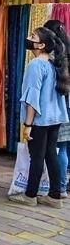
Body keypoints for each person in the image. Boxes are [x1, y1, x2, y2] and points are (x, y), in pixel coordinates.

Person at [9, 27, 70, 208]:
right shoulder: (53, 63)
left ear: (41, 44)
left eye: (33, 36)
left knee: (37, 156)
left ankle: (30, 195)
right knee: (51, 155)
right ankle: (55, 196)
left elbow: (32, 98)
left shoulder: (36, 64)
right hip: (55, 117)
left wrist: (28, 124)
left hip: (40, 119)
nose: (29, 38)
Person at [44, 20, 70, 198]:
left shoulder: (56, 57)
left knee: (60, 148)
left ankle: (60, 187)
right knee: (66, 149)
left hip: (62, 107)